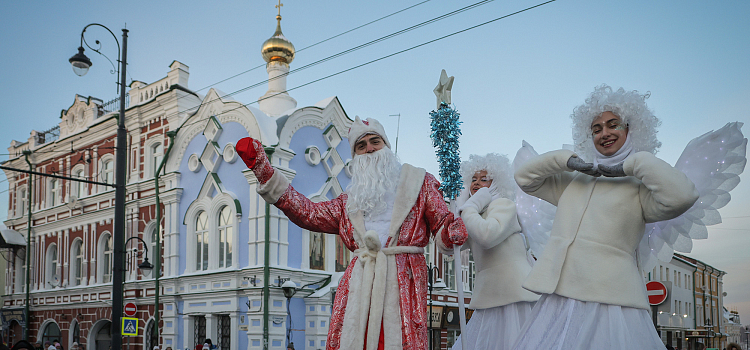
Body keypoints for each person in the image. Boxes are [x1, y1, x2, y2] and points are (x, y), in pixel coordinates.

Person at [236, 116, 468, 350]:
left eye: (374, 141)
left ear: (386, 146)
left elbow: (442, 224)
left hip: (403, 283)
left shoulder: (420, 183)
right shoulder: (350, 201)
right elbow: (309, 213)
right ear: (355, 156)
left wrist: (451, 232)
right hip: (359, 285)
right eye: (361, 145)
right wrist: (265, 173)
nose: (368, 148)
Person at [512, 84, 698, 349]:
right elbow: (524, 178)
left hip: (612, 302)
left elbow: (683, 195)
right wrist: (567, 160)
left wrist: (633, 164)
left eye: (614, 125)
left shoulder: (640, 188)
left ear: (631, 129)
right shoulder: (574, 180)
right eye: (596, 129)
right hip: (561, 298)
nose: (605, 133)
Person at [450, 154, 539, 350]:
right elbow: (451, 247)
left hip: (512, 292)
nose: (476, 184)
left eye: (484, 179)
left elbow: (487, 235)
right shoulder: (474, 214)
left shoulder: (503, 205)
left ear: (496, 184)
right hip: (490, 293)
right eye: (473, 179)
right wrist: (455, 214)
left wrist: (469, 207)